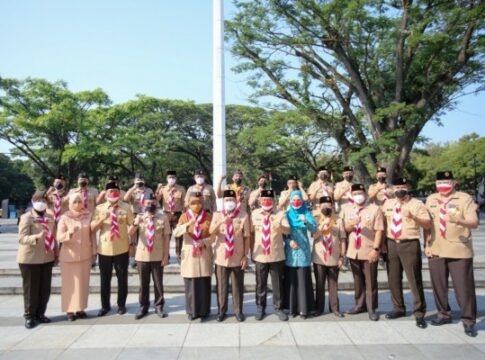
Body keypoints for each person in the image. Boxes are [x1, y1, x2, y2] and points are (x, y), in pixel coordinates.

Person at [425, 171, 479, 337]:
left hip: (459, 249)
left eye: (447, 181)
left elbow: (474, 222)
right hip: (436, 248)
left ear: (454, 182)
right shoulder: (431, 199)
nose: (443, 185)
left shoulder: (464, 198)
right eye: (440, 182)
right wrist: (426, 244)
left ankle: (468, 320)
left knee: (464, 288)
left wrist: (459, 220)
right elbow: (428, 225)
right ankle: (443, 314)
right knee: (439, 286)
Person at [382, 177, 431, 329]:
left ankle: (419, 313)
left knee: (414, 279)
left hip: (409, 243)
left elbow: (427, 223)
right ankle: (398, 308)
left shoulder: (417, 204)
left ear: (407, 187)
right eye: (396, 188)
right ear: (392, 190)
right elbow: (383, 223)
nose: (399, 190)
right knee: (393, 278)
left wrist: (414, 217)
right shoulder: (388, 203)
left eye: (402, 187)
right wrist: (382, 244)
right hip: (391, 243)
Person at [341, 184, 384, 321]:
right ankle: (359, 305)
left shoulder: (375, 209)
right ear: (351, 195)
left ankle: (372, 308)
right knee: (357, 281)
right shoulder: (347, 209)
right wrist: (352, 225)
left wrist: (376, 249)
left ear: (365, 194)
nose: (358, 196)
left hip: (369, 249)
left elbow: (379, 230)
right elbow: (346, 229)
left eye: (360, 193)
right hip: (354, 250)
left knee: (371, 281)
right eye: (355, 194)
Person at [91, 182, 133, 316]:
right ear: (105, 194)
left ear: (120, 193)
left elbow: (132, 226)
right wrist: (103, 218)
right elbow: (93, 228)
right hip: (105, 249)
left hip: (121, 247)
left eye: (116, 191)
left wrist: (134, 233)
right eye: (110, 191)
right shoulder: (99, 208)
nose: (113, 194)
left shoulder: (126, 207)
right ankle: (105, 306)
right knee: (105, 279)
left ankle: (121, 305)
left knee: (122, 278)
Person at [17, 191, 57, 329]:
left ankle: (41, 313)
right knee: (31, 289)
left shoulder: (50, 217)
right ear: (33, 201)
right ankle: (29, 315)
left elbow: (54, 237)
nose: (41, 202)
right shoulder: (26, 217)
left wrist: (56, 253)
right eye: (38, 200)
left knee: (44, 288)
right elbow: (22, 238)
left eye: (44, 200)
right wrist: (37, 237)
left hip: (47, 257)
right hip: (30, 258)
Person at [210, 190, 250, 322]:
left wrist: (245, 256)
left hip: (237, 256)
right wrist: (222, 221)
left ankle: (238, 311)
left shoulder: (243, 215)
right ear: (223, 202)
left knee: (237, 286)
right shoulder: (217, 215)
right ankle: (221, 311)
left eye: (232, 200)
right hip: (221, 257)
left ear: (236, 201)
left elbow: (247, 238)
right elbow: (211, 232)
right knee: (221, 286)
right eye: (227, 200)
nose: (229, 202)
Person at [173, 192, 214, 320]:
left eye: (199, 202)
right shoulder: (184, 217)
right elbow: (176, 233)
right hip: (190, 254)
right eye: (193, 203)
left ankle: (204, 311)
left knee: (204, 284)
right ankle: (192, 311)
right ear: (188, 204)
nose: (196, 205)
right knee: (191, 284)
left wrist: (205, 242)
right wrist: (187, 224)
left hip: (204, 253)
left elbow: (214, 236)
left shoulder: (208, 217)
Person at [130, 193, 171, 319]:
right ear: (143, 204)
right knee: (143, 283)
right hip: (142, 255)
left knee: (158, 283)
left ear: (156, 203)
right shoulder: (139, 217)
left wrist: (165, 256)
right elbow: (130, 233)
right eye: (148, 203)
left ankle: (159, 306)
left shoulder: (163, 217)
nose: (150, 205)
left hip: (158, 255)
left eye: (152, 203)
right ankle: (143, 307)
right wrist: (136, 223)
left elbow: (166, 238)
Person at [251, 189, 289, 321]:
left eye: (269, 200)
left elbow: (287, 230)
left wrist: (278, 224)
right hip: (260, 254)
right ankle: (260, 307)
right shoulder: (254, 213)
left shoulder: (280, 213)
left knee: (277, 283)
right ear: (260, 201)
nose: (266, 202)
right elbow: (250, 234)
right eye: (264, 200)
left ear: (274, 201)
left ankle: (278, 307)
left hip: (276, 253)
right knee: (260, 283)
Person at [57, 194, 97, 321]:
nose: (78, 203)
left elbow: (92, 235)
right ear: (70, 203)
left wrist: (94, 251)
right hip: (69, 256)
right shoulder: (64, 217)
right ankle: (69, 310)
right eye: (75, 201)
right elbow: (59, 237)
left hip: (85, 255)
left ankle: (80, 309)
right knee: (70, 285)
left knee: (83, 284)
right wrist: (69, 233)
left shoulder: (88, 215)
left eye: (80, 201)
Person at [283, 189, 316, 319]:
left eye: (298, 200)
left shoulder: (306, 213)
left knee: (302, 279)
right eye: (294, 200)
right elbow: (282, 232)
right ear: (290, 201)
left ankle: (304, 309)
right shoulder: (286, 214)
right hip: (290, 251)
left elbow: (314, 229)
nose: (296, 202)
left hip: (303, 251)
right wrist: (289, 240)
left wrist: (306, 222)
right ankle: (291, 308)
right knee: (291, 279)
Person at [311, 196, 346, 317]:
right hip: (319, 257)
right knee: (320, 284)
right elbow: (313, 235)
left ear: (332, 206)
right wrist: (322, 225)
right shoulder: (315, 220)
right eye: (323, 206)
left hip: (334, 256)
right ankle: (319, 308)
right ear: (319, 207)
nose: (326, 207)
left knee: (333, 284)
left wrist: (342, 256)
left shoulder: (338, 220)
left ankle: (335, 308)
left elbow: (343, 239)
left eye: (328, 205)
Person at [124, 173, 155, 269]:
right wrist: (134, 187)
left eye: (141, 180)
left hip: (146, 215)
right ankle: (133, 259)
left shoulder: (149, 190)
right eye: (138, 180)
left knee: (144, 237)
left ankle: (143, 256)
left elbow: (153, 202)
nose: (140, 182)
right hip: (134, 215)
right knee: (133, 238)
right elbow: (125, 199)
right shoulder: (132, 190)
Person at [155, 170, 186, 262]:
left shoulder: (181, 189)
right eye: (169, 178)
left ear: (176, 178)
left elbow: (184, 203)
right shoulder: (163, 188)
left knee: (179, 236)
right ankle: (166, 255)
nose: (171, 179)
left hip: (177, 215)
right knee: (165, 236)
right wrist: (158, 189)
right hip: (166, 215)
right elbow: (156, 199)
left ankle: (179, 255)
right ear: (166, 179)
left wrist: (185, 215)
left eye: (173, 178)